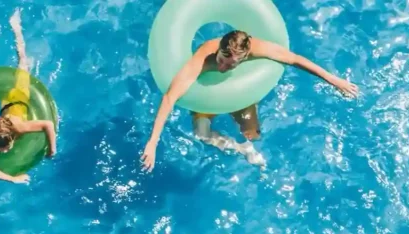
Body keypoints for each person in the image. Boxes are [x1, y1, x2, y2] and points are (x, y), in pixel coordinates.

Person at [140, 30, 359, 171]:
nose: (223, 68)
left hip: (238, 94)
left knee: (253, 133)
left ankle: (249, 146)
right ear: (218, 50)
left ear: (244, 57)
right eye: (222, 61)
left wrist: (334, 80)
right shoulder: (204, 57)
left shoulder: (258, 49)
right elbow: (170, 97)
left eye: (231, 65)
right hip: (206, 97)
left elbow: (295, 59)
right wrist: (153, 142)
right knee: (201, 134)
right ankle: (239, 148)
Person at [0, 9, 57, 184]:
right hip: (6, 103)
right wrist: (13, 179)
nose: (2, 152)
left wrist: (51, 149)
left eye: (4, 149)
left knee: (23, 61)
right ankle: (15, 29)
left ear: (11, 138)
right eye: (1, 150)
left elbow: (48, 124)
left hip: (20, 95)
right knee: (19, 66)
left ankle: (16, 27)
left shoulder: (21, 127)